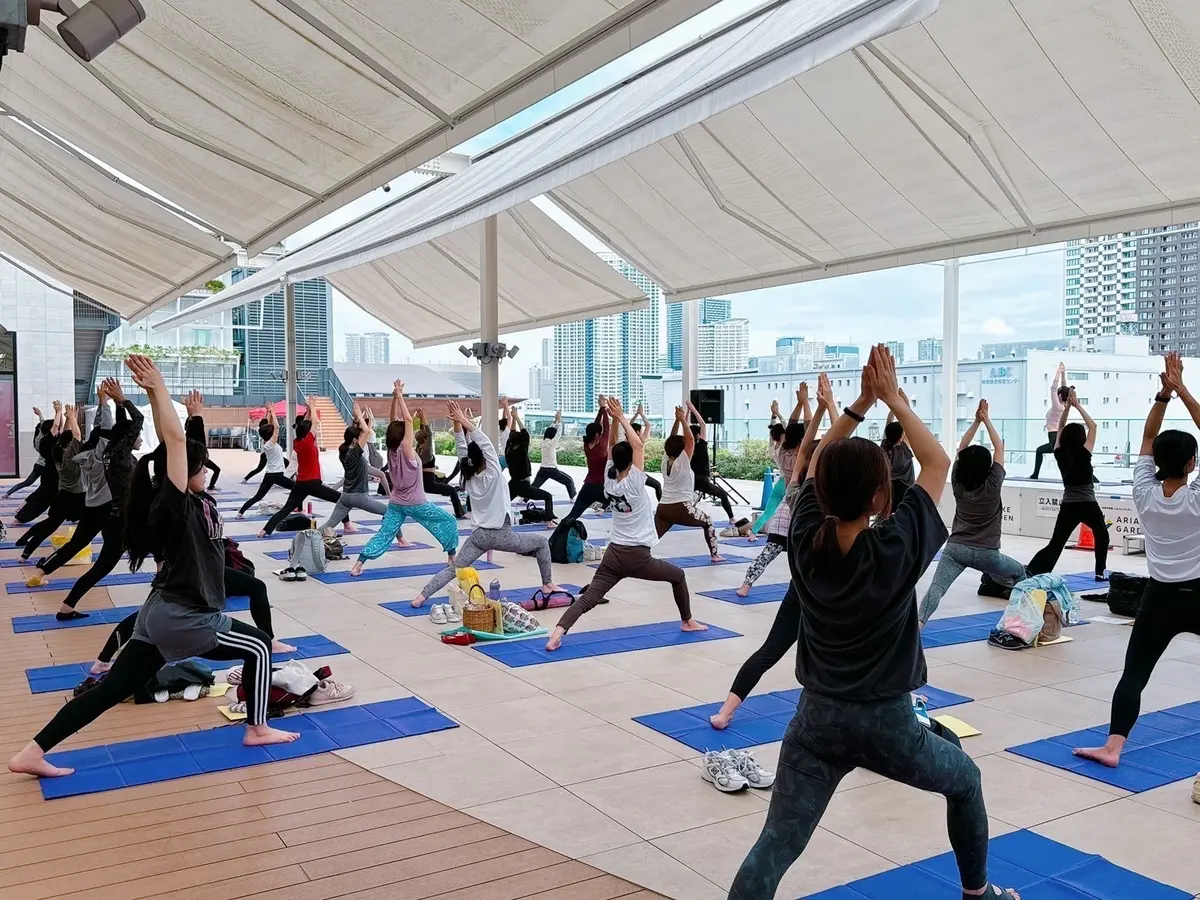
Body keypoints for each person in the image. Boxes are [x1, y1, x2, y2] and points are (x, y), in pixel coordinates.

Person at [727, 345, 1019, 900]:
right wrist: (892, 399)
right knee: (966, 781)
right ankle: (978, 895)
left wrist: (860, 404)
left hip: (816, 720)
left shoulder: (805, 540)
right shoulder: (896, 546)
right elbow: (938, 464)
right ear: (882, 495)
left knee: (775, 844)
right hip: (887, 723)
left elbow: (816, 464)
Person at [7, 354, 299, 782]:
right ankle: (258, 728)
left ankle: (31, 752)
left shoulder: (186, 499)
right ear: (184, 474)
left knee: (111, 690)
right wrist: (157, 391)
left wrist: (186, 413)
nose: (205, 471)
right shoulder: (173, 505)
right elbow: (177, 445)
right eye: (200, 468)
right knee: (258, 645)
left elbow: (181, 445)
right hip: (184, 613)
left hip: (159, 613)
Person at [1075, 352, 1200, 778]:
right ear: (1191, 464)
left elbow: (1148, 438)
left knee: (1135, 673)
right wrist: (1181, 390)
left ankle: (1113, 746)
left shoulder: (1144, 493)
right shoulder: (1196, 497)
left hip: (1160, 596)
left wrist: (1162, 396)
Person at [711, 379, 829, 728]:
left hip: (801, 579)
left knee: (769, 650)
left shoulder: (795, 484)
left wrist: (802, 407)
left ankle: (725, 712)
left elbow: (806, 439)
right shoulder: (828, 507)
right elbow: (814, 440)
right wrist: (820, 406)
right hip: (827, 592)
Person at [546, 398, 707, 652]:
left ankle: (557, 632)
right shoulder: (634, 480)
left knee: (589, 598)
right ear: (631, 461)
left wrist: (612, 418)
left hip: (613, 555)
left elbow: (614, 449)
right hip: (637, 557)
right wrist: (620, 418)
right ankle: (687, 621)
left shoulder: (609, 480)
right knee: (678, 576)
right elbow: (636, 445)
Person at [412, 400, 562, 608]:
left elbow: (461, 450)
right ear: (486, 457)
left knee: (454, 569)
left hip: (479, 536)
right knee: (541, 543)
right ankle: (547, 584)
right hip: (503, 535)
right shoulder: (493, 472)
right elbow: (482, 442)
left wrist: (458, 424)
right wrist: (463, 421)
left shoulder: (469, 475)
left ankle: (421, 597)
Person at [917, 400, 1028, 625]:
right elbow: (999, 447)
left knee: (937, 588)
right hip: (988, 553)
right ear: (987, 467)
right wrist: (986, 420)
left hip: (956, 549)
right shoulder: (993, 484)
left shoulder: (957, 481)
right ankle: (1020, 619)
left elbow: (960, 450)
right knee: (1019, 574)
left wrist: (976, 422)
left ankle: (919, 623)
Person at [90, 563, 297, 675]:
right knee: (256, 587)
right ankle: (268, 641)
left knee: (144, 614)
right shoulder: (176, 498)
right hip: (191, 570)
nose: (204, 480)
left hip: (199, 567)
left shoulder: (189, 499)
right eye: (201, 479)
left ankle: (103, 660)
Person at [49, 379, 144, 620]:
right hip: (124, 522)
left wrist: (111, 403)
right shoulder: (121, 455)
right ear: (128, 439)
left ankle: (66, 607)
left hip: (115, 519)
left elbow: (120, 427)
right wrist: (121, 399)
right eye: (137, 435)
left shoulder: (110, 452)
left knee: (101, 567)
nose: (140, 437)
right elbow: (136, 422)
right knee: (106, 565)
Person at [350, 380, 458, 576]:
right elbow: (407, 421)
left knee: (384, 533)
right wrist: (399, 395)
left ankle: (359, 564)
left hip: (396, 503)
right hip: (416, 503)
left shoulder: (392, 450)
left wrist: (394, 397)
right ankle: (451, 556)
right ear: (404, 437)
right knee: (448, 520)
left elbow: (395, 421)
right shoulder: (406, 450)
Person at [1025, 388, 1110, 580]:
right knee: (1102, 536)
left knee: (1056, 543)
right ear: (1081, 438)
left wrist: (1068, 408)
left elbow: (1060, 427)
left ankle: (1034, 571)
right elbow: (1094, 426)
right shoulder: (1084, 452)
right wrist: (1077, 405)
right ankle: (1099, 572)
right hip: (1088, 504)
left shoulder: (1059, 453)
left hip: (1069, 505)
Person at [734, 390, 812, 596]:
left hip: (786, 508)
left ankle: (745, 586)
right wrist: (805, 403)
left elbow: (794, 425)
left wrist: (798, 404)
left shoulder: (780, 452)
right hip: (803, 510)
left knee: (767, 553)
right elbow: (808, 425)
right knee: (808, 556)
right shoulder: (805, 455)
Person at [258, 397, 343, 537]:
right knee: (341, 500)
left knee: (286, 509)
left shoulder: (297, 441)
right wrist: (313, 406)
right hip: (313, 484)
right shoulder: (309, 442)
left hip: (300, 484)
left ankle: (264, 530)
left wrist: (309, 410)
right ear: (308, 432)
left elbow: (308, 423)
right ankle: (346, 525)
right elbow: (315, 422)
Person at [653, 406, 723, 562]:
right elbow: (690, 439)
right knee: (708, 522)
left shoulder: (665, 460)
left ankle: (638, 555)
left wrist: (677, 421)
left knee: (652, 538)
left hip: (663, 507)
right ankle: (715, 555)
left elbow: (670, 438)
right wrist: (683, 420)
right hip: (682, 508)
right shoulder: (683, 461)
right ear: (682, 449)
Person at [18, 403, 87, 562]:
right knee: (87, 529)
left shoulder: (56, 452)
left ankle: (25, 554)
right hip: (78, 498)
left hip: (62, 497)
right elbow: (76, 435)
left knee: (49, 526)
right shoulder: (72, 457)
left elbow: (67, 435)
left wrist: (68, 418)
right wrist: (72, 417)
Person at [319, 404, 391, 533]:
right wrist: (358, 415)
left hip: (346, 496)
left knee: (330, 524)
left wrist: (361, 418)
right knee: (389, 513)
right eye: (359, 438)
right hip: (359, 497)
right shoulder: (354, 453)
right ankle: (402, 540)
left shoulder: (343, 451)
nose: (362, 439)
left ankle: (309, 537)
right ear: (354, 440)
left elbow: (365, 430)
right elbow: (367, 432)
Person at [559, 397, 612, 521]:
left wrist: (601, 409)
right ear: (598, 435)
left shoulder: (587, 446)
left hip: (588, 486)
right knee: (626, 506)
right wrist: (603, 408)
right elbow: (606, 427)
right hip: (601, 487)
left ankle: (556, 539)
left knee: (572, 516)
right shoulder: (602, 447)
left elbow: (597, 425)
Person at [686, 399, 736, 527]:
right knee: (723, 495)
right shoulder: (701, 445)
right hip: (702, 480)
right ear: (697, 435)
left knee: (681, 499)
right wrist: (692, 409)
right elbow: (703, 424)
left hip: (689, 480)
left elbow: (684, 426)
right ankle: (731, 518)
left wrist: (685, 413)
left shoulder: (686, 446)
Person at [237, 406, 293, 518]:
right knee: (297, 488)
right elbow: (276, 427)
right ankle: (296, 508)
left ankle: (240, 513)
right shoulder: (270, 444)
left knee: (258, 496)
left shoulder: (266, 443)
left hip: (270, 475)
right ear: (271, 435)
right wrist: (273, 412)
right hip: (276, 475)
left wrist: (270, 413)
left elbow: (271, 426)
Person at [505, 400, 555, 523]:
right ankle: (549, 521)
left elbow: (513, 433)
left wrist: (513, 418)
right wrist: (516, 418)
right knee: (547, 497)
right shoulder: (521, 452)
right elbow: (525, 434)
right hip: (523, 485)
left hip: (513, 483)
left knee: (503, 502)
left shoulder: (509, 449)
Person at [14, 404, 62, 527]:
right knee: (42, 497)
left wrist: (65, 415)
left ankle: (24, 508)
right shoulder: (45, 442)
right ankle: (21, 517)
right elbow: (56, 426)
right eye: (55, 429)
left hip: (51, 473)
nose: (57, 430)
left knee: (45, 494)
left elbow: (57, 426)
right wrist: (58, 411)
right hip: (50, 473)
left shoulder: (46, 437)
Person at [414, 407, 465, 518]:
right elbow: (429, 433)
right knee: (452, 490)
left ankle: (460, 511)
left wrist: (421, 420)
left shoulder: (418, 449)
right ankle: (459, 513)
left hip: (423, 482)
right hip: (429, 484)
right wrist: (423, 416)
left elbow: (424, 432)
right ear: (426, 440)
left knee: (448, 487)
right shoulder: (426, 452)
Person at [1031, 363, 1067, 479]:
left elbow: (1053, 388)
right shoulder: (1064, 405)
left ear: (1060, 396)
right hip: (1058, 436)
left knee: (1039, 451)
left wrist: (1058, 371)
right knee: (1061, 458)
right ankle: (1036, 475)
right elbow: (1064, 388)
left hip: (1054, 437)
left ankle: (1035, 475)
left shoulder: (1058, 406)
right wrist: (1063, 373)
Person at [531, 410, 576, 499]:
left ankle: (524, 499)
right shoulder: (552, 442)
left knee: (534, 486)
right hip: (552, 470)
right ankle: (572, 498)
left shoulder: (543, 442)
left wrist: (555, 420)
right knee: (569, 480)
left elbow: (549, 430)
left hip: (543, 469)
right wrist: (559, 419)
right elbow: (559, 432)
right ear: (553, 435)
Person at [881, 390, 915, 508]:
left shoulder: (883, 447)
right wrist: (905, 404)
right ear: (901, 436)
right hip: (904, 489)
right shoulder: (903, 450)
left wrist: (893, 406)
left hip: (888, 487)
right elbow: (910, 424)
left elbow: (888, 422)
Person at [6, 407, 49, 497]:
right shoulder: (44, 439)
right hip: (44, 466)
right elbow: (44, 424)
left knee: (27, 482)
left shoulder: (38, 439)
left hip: (39, 465)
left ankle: (8, 493)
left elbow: (43, 424)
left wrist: (40, 414)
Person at [630, 404, 662, 501]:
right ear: (638, 432)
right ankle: (662, 507)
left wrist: (637, 414)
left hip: (630, 473)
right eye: (641, 430)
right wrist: (641, 414)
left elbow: (630, 424)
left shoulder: (628, 440)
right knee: (657, 485)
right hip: (638, 474)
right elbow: (648, 425)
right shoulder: (639, 441)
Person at [186, 410, 220, 490]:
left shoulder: (188, 436)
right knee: (216, 470)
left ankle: (211, 486)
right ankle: (211, 486)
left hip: (198, 455)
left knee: (216, 470)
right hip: (199, 455)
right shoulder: (196, 436)